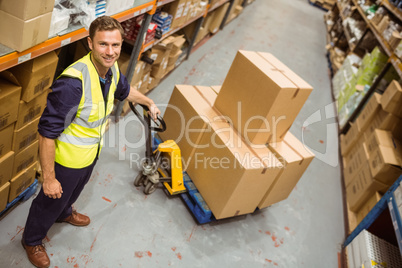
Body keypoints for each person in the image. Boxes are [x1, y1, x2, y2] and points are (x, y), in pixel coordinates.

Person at [21, 16, 161, 268]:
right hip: (66, 160)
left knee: (73, 193)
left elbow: (124, 91)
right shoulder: (72, 84)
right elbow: (47, 133)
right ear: (90, 43)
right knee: (49, 201)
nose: (110, 52)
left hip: (89, 153)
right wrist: (50, 178)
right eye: (103, 45)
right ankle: (31, 240)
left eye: (115, 45)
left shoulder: (111, 69)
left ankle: (64, 213)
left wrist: (148, 102)